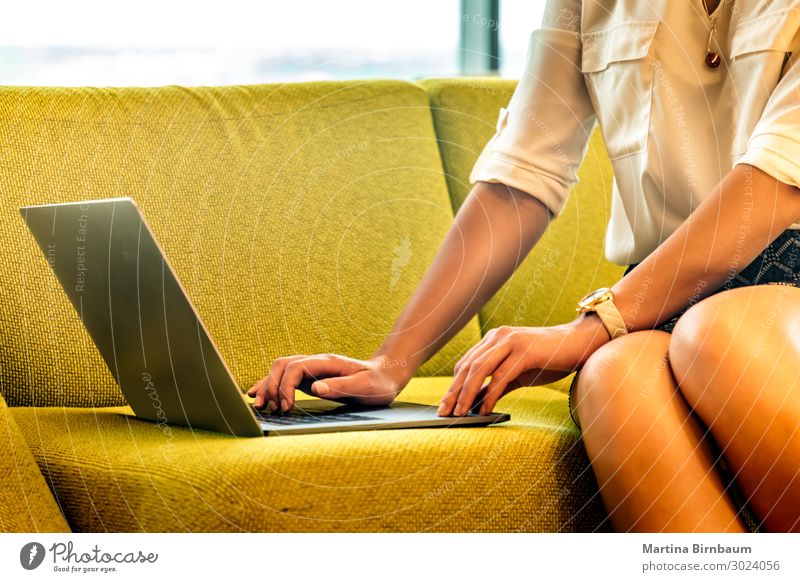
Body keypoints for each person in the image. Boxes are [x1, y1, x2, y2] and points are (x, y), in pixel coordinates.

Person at [249, 0, 800, 533]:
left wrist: (592, 326)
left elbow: (775, 184)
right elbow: (524, 172)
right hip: (657, 303)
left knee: (717, 337)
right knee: (615, 380)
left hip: (776, 275)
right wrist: (392, 361)